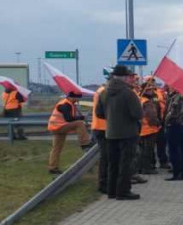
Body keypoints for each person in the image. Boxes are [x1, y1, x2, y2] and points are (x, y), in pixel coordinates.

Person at [99, 66, 141, 199]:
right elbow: (138, 114)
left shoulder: (104, 92)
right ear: (124, 77)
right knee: (126, 163)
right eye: (129, 76)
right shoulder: (128, 93)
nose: (131, 79)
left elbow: (98, 113)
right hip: (128, 133)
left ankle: (111, 191)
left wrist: (112, 118)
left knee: (113, 163)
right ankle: (123, 191)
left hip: (110, 133)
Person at [46, 91, 93, 175]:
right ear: (73, 97)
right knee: (79, 123)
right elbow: (69, 119)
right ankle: (85, 143)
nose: (78, 100)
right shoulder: (65, 104)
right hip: (59, 127)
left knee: (56, 148)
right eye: (77, 98)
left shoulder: (67, 103)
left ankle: (53, 168)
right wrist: (81, 117)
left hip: (56, 127)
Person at [164, 86, 183, 180]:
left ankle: (177, 173)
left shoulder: (177, 97)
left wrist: (165, 121)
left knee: (175, 151)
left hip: (175, 126)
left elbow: (172, 112)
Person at [136, 84, 161, 174]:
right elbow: (152, 117)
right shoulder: (147, 102)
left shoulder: (139, 99)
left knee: (142, 150)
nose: (151, 91)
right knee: (148, 151)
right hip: (149, 129)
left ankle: (140, 168)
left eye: (151, 89)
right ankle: (147, 168)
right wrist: (158, 123)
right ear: (144, 90)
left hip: (141, 129)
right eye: (148, 89)